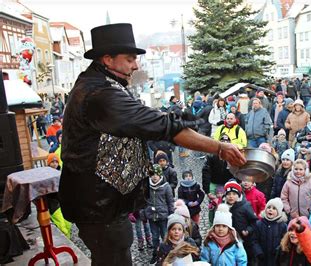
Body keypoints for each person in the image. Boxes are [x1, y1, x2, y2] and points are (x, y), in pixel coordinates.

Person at [58, 23, 245, 265]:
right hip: (99, 205)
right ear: (108, 59)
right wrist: (219, 147)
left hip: (102, 203)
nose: (135, 65)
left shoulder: (100, 84)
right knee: (114, 257)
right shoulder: (101, 94)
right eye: (129, 59)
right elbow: (162, 126)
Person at [202, 134, 236, 223]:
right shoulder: (211, 155)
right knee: (212, 206)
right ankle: (211, 225)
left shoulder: (232, 156)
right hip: (214, 184)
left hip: (227, 185)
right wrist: (207, 191)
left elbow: (236, 173)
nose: (225, 143)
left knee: (228, 206)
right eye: (222, 141)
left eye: (227, 142)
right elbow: (206, 172)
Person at [145, 164, 174, 264]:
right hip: (151, 216)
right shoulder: (147, 186)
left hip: (163, 216)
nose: (154, 176)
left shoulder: (166, 187)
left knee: (165, 235)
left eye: (156, 174)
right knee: (155, 237)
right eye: (152, 174)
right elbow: (144, 201)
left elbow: (170, 202)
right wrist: (144, 213)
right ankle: (156, 254)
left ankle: (167, 254)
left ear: (160, 175)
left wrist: (172, 214)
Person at [223, 181, 258, 258]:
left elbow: (254, 222)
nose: (231, 196)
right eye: (228, 194)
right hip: (229, 239)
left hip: (245, 240)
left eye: (234, 194)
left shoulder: (245, 206)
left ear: (238, 195)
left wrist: (248, 230)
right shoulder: (223, 207)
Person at [251, 198, 288, 266]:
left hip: (276, 259)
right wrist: (258, 252)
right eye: (269, 207)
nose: (270, 209)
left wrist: (278, 250)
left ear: (279, 212)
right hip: (262, 258)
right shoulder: (259, 224)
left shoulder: (282, 226)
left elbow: (285, 241)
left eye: (274, 208)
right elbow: (254, 240)